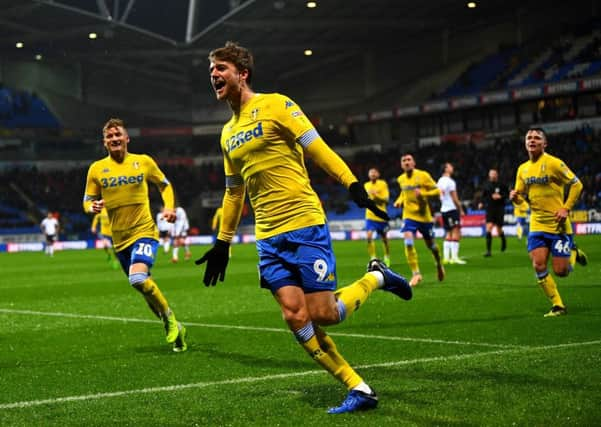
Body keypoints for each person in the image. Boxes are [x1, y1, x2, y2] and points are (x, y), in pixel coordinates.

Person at [196, 41, 412, 414]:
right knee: (295, 316)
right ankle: (358, 388)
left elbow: (317, 147)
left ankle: (377, 277)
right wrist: (222, 243)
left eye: (221, 68)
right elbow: (234, 192)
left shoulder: (278, 104)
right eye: (211, 69)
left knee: (325, 314)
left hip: (304, 223)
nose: (214, 74)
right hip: (268, 237)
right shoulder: (227, 132)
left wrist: (353, 185)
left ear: (242, 73)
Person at [83, 117, 187, 352]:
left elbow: (165, 185)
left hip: (144, 232)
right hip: (119, 240)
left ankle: (170, 318)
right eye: (109, 136)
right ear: (104, 142)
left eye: (118, 134)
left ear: (127, 138)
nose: (114, 138)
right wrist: (92, 207)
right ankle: (175, 327)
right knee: (144, 289)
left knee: (138, 278)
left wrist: (169, 207)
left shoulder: (143, 162)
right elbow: (87, 200)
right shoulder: (97, 169)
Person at [509, 127, 586, 317]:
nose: (532, 140)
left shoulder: (554, 164)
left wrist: (566, 208)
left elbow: (577, 184)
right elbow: (521, 198)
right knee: (538, 265)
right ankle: (558, 305)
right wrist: (515, 198)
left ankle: (573, 252)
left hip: (558, 225)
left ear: (545, 143)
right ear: (525, 143)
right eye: (529, 137)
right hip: (537, 225)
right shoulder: (522, 169)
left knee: (562, 271)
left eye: (537, 138)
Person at [393, 154, 445, 286]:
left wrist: (423, 193)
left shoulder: (423, 175)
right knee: (408, 242)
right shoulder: (401, 179)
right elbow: (403, 194)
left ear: (414, 163)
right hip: (409, 216)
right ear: (401, 165)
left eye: (409, 160)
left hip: (424, 217)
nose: (406, 162)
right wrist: (399, 201)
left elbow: (437, 191)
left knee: (432, 246)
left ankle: (439, 264)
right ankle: (416, 274)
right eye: (404, 160)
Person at [437, 162, 465, 264]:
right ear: (446, 169)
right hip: (451, 209)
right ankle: (454, 258)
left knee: (448, 232)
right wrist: (460, 209)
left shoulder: (439, 181)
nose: (452, 167)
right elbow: (455, 198)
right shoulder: (450, 182)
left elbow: (439, 195)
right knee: (455, 232)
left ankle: (446, 258)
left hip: (443, 209)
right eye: (450, 166)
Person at [479, 168, 509, 257]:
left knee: (499, 230)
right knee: (489, 228)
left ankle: (503, 240)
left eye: (494, 174)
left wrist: (501, 196)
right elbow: (483, 196)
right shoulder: (486, 185)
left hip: (500, 208)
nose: (492, 175)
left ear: (497, 175)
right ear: (489, 175)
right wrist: (481, 203)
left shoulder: (502, 185)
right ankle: (488, 251)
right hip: (490, 208)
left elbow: (507, 195)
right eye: (491, 174)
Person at [364, 167, 391, 266]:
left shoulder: (383, 184)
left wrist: (376, 196)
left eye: (374, 172)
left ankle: (387, 256)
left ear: (378, 174)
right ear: (368, 175)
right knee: (369, 236)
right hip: (370, 216)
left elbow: (386, 200)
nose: (372, 174)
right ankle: (373, 257)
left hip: (381, 215)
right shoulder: (366, 185)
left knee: (384, 239)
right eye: (371, 172)